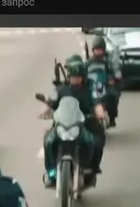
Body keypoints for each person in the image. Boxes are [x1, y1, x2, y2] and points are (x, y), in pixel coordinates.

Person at [42, 59, 107, 187]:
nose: (75, 79)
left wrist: (99, 112)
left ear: (83, 77)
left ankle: (91, 170)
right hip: (64, 123)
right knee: (48, 140)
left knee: (97, 141)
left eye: (77, 77)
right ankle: (51, 172)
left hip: (86, 122)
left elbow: (97, 101)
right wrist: (44, 111)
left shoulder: (91, 88)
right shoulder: (61, 89)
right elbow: (51, 102)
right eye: (72, 77)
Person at [87, 34, 122, 124]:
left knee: (113, 95)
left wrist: (112, 79)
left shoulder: (107, 63)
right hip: (91, 87)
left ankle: (112, 117)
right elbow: (82, 73)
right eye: (96, 50)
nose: (98, 52)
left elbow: (113, 72)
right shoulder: (88, 63)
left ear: (104, 50)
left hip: (104, 86)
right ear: (93, 50)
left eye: (100, 50)